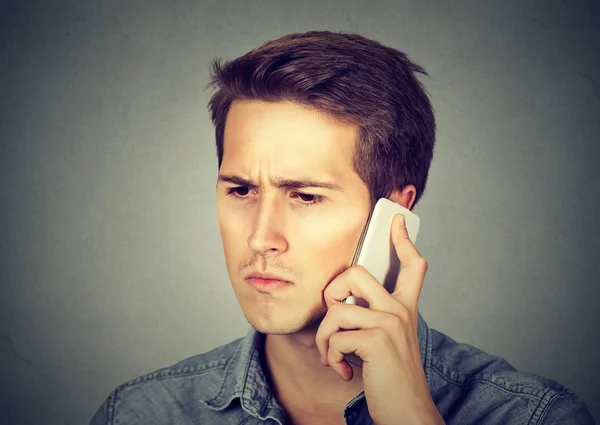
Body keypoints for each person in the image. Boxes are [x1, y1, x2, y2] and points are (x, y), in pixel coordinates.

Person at [90, 31, 594, 425]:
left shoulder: (532, 416)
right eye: (241, 190)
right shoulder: (136, 414)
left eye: (305, 196)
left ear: (394, 216)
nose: (261, 238)